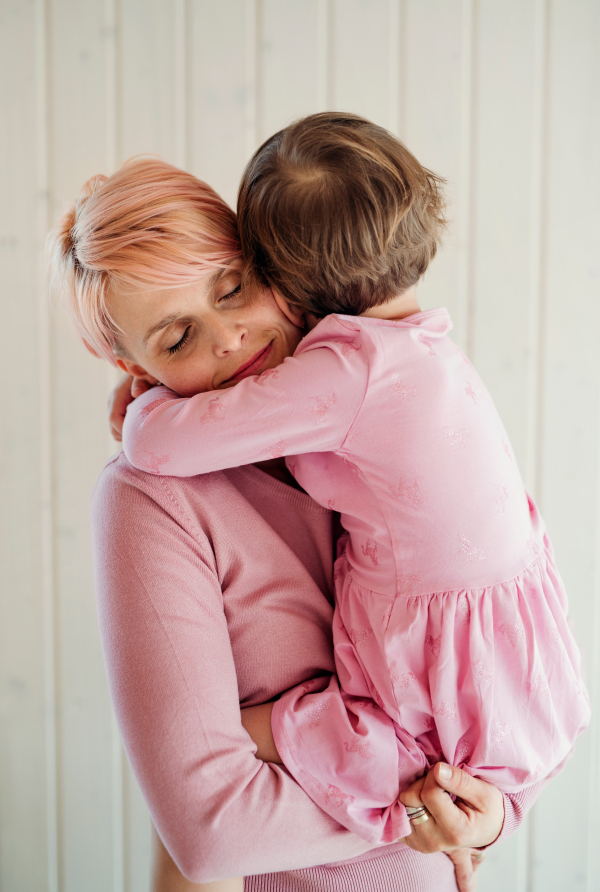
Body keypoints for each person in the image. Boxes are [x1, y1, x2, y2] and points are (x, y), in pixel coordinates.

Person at [49, 154, 559, 892]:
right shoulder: (151, 500)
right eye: (176, 338)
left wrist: (493, 812)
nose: (227, 337)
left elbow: (504, 676)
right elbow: (212, 827)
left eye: (233, 288)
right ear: (130, 366)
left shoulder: (371, 407)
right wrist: (429, 803)